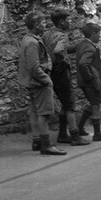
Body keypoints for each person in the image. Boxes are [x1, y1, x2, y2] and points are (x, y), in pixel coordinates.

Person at [17, 11, 65, 156]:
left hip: (31, 82)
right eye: (43, 23)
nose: (45, 25)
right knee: (43, 113)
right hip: (38, 83)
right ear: (36, 25)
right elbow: (34, 67)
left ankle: (37, 140)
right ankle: (46, 145)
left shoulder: (28, 39)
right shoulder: (32, 42)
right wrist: (47, 80)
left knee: (34, 110)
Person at [41, 8, 89, 147]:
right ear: (61, 22)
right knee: (69, 104)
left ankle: (62, 134)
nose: (70, 22)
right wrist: (61, 60)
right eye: (68, 20)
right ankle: (75, 136)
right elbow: (58, 50)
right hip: (62, 72)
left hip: (51, 72)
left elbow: (51, 49)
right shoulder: (62, 36)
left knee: (63, 102)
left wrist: (75, 47)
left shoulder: (47, 34)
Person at [75, 22, 101, 142]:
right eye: (98, 34)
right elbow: (83, 63)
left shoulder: (81, 44)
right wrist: (90, 78)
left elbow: (69, 49)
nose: (100, 36)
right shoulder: (91, 48)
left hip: (84, 81)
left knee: (92, 103)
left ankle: (80, 127)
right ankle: (97, 133)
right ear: (93, 34)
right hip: (90, 82)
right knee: (95, 105)